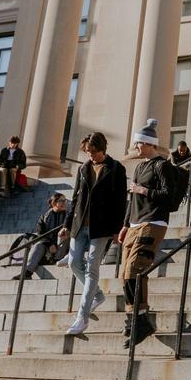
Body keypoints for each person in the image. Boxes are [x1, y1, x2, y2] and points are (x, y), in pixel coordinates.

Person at [64, 132, 127, 338]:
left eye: (93, 152)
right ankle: (97, 295)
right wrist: (66, 224)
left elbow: (120, 203)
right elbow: (75, 198)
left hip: (101, 228)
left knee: (92, 268)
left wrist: (118, 229)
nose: (90, 155)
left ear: (102, 149)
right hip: (79, 225)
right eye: (87, 152)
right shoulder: (83, 168)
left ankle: (81, 317)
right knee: (73, 263)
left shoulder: (116, 168)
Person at [118, 119, 175, 348]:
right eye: (136, 143)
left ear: (150, 144)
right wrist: (124, 224)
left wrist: (144, 190)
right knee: (125, 275)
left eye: (140, 143)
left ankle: (142, 319)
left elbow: (168, 195)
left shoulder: (162, 166)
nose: (137, 148)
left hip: (154, 222)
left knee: (136, 269)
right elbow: (132, 199)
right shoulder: (139, 167)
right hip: (133, 224)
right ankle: (135, 317)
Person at [13, 192, 70, 277]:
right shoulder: (44, 217)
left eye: (65, 200)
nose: (65, 203)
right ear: (54, 203)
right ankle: (27, 272)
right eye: (62, 200)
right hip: (48, 247)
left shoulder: (69, 216)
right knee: (38, 244)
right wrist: (50, 244)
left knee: (64, 235)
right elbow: (40, 234)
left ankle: (57, 260)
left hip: (63, 247)